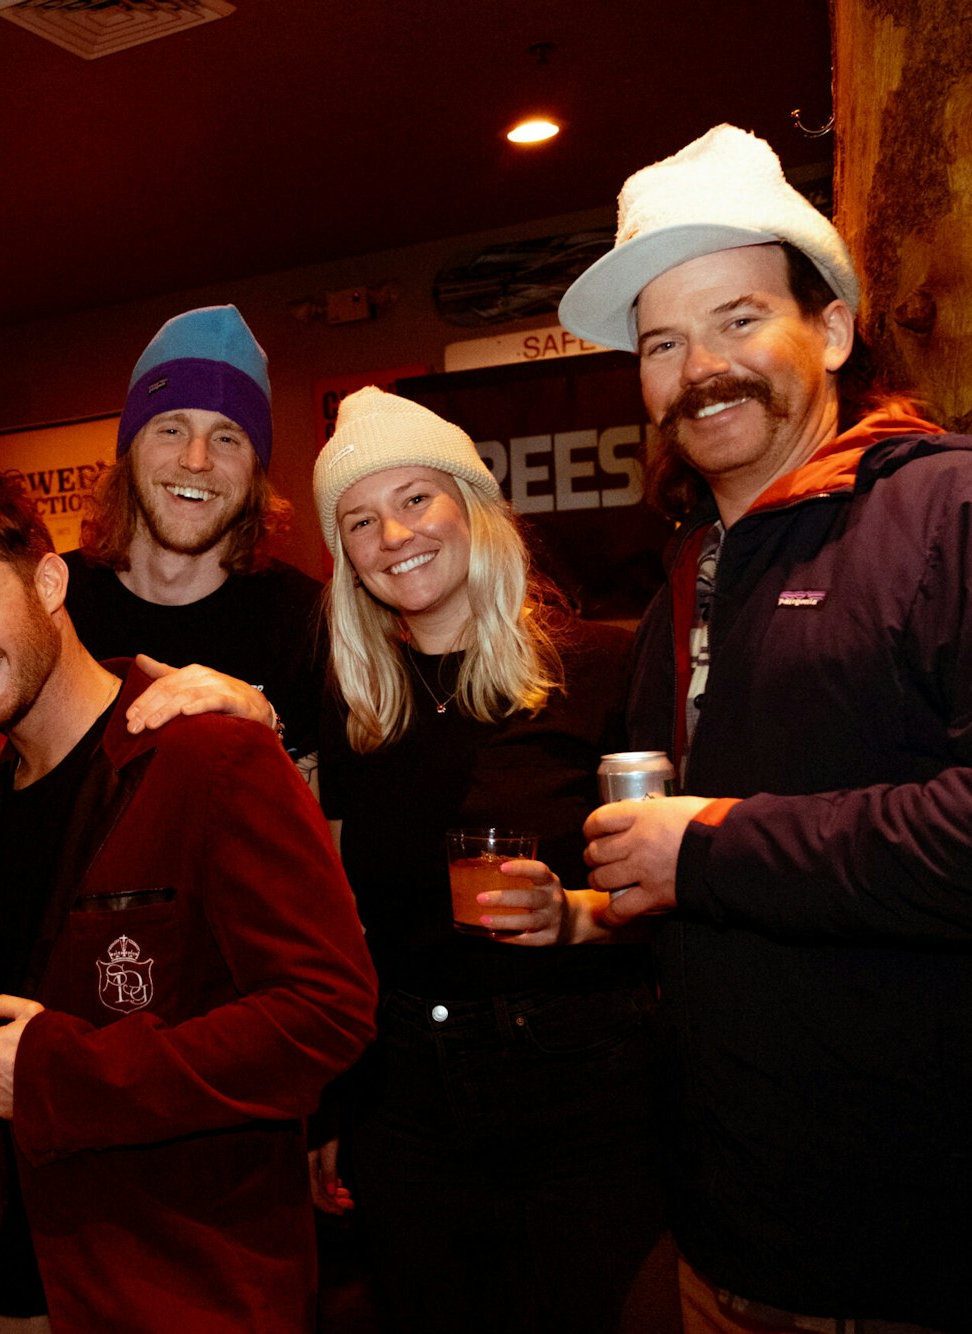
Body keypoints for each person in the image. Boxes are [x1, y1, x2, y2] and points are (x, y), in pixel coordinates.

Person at [560, 124, 972, 1331]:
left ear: (827, 332)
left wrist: (714, 849)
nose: (699, 368)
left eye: (736, 320)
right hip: (741, 1250)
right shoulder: (690, 574)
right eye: (661, 342)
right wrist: (617, 901)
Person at [0, 464, 379, 1333]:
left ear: (50, 581)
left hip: (169, 1284)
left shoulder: (206, 756)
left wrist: (58, 1076)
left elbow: (325, 1015)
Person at [308, 386, 670, 1333]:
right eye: (360, 521)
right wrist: (339, 1106)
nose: (394, 535)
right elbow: (349, 925)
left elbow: (683, 888)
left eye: (417, 499)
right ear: (344, 556)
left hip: (581, 1078)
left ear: (476, 508)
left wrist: (574, 917)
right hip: (403, 1096)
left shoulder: (601, 666)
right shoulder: (357, 711)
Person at [69, 304, 325, 759]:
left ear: (256, 474)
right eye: (171, 429)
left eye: (227, 438)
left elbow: (328, 820)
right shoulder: (53, 606)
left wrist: (267, 727)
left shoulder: (310, 623)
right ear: (129, 454)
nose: (196, 459)